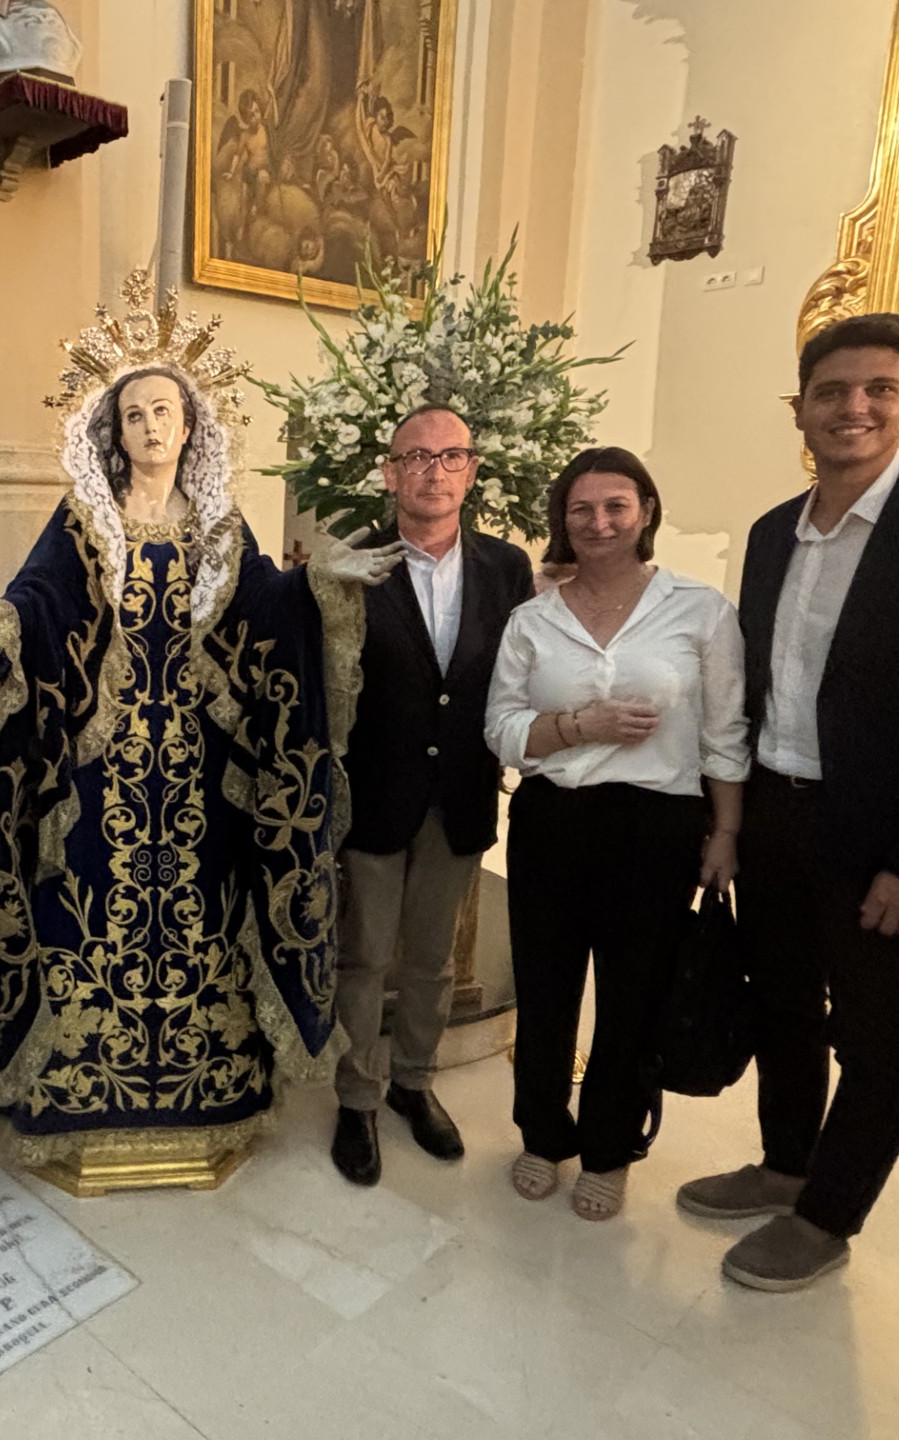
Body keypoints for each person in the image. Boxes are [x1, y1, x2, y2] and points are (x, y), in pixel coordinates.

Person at [0, 360, 404, 1168]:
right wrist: (2, 625)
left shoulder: (218, 524)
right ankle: (80, 1099)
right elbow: (43, 600)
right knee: (85, 915)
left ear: (190, 428)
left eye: (164, 412)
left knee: (208, 919)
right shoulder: (86, 519)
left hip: (202, 778)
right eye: (135, 415)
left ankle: (208, 1097)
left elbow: (263, 605)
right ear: (114, 434)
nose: (151, 427)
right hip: (99, 777)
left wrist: (316, 584)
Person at [678, 313, 899, 1290]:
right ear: (801, 409)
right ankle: (787, 1165)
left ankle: (829, 1214)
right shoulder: (772, 533)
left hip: (888, 834)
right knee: (781, 1002)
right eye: (831, 391)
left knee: (876, 1034)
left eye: (877, 389)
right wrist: (728, 817)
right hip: (778, 813)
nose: (853, 408)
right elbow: (755, 685)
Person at [485, 446, 748, 1222]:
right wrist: (579, 725)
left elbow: (726, 732)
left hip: (657, 826)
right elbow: (501, 729)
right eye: (581, 509)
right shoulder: (532, 620)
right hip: (552, 820)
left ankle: (608, 1148)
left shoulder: (699, 610)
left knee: (634, 997)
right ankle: (542, 1133)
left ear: (646, 512)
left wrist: (726, 830)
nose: (598, 522)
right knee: (545, 990)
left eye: (615, 506)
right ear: (562, 520)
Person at [330, 406, 533, 1187]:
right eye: (416, 457)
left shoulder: (506, 568)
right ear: (390, 473)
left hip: (461, 791)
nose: (434, 472)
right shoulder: (356, 562)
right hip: (376, 792)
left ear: (471, 471)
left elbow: (517, 671)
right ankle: (357, 1095)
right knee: (364, 955)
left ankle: (413, 1081)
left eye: (451, 457)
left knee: (432, 958)